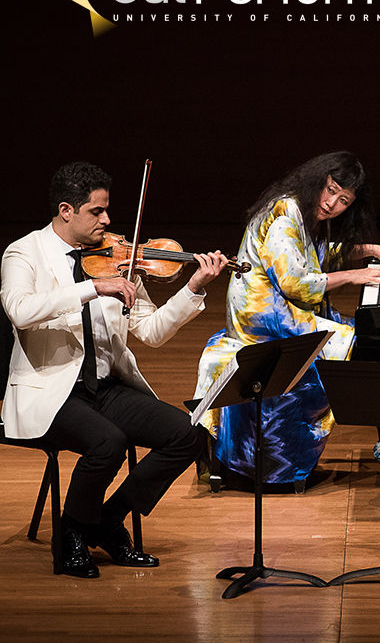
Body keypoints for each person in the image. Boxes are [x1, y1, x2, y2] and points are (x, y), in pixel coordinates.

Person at [1, 161, 229, 578]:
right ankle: (70, 533)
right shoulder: (24, 252)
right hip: (51, 391)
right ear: (66, 210)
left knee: (189, 435)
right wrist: (92, 288)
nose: (107, 221)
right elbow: (21, 311)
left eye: (108, 210)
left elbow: (151, 331)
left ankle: (106, 519)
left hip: (105, 388)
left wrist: (193, 287)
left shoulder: (117, 258)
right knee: (108, 443)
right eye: (96, 212)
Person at [194, 151, 380, 486]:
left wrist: (371, 249)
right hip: (264, 319)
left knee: (362, 341)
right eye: (330, 190)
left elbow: (315, 256)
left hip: (283, 313)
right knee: (360, 345)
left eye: (343, 199)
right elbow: (296, 282)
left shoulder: (302, 213)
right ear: (318, 180)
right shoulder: (285, 213)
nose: (332, 203)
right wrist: (352, 276)